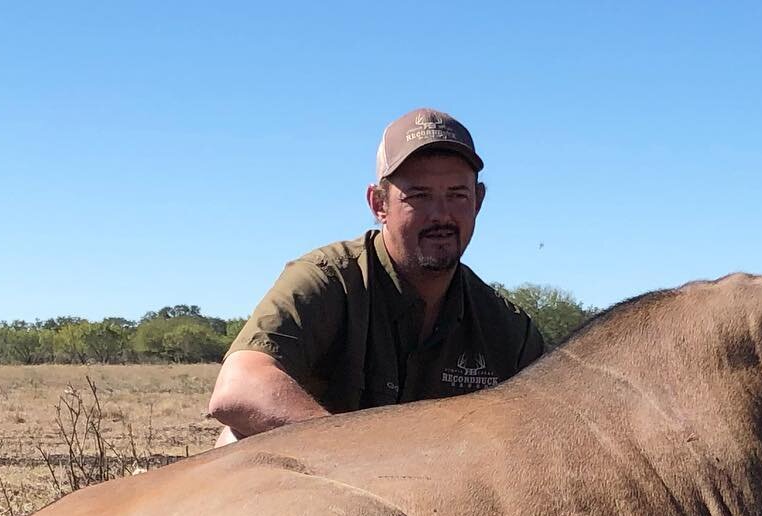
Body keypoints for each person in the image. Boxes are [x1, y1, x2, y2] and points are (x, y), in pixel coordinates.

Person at [209, 109, 545, 443]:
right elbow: (238, 389)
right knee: (235, 439)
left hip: (442, 491)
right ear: (378, 204)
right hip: (327, 480)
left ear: (478, 202)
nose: (441, 215)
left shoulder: (506, 328)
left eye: (457, 195)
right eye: (419, 196)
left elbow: (550, 421)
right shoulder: (329, 278)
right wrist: (362, 452)